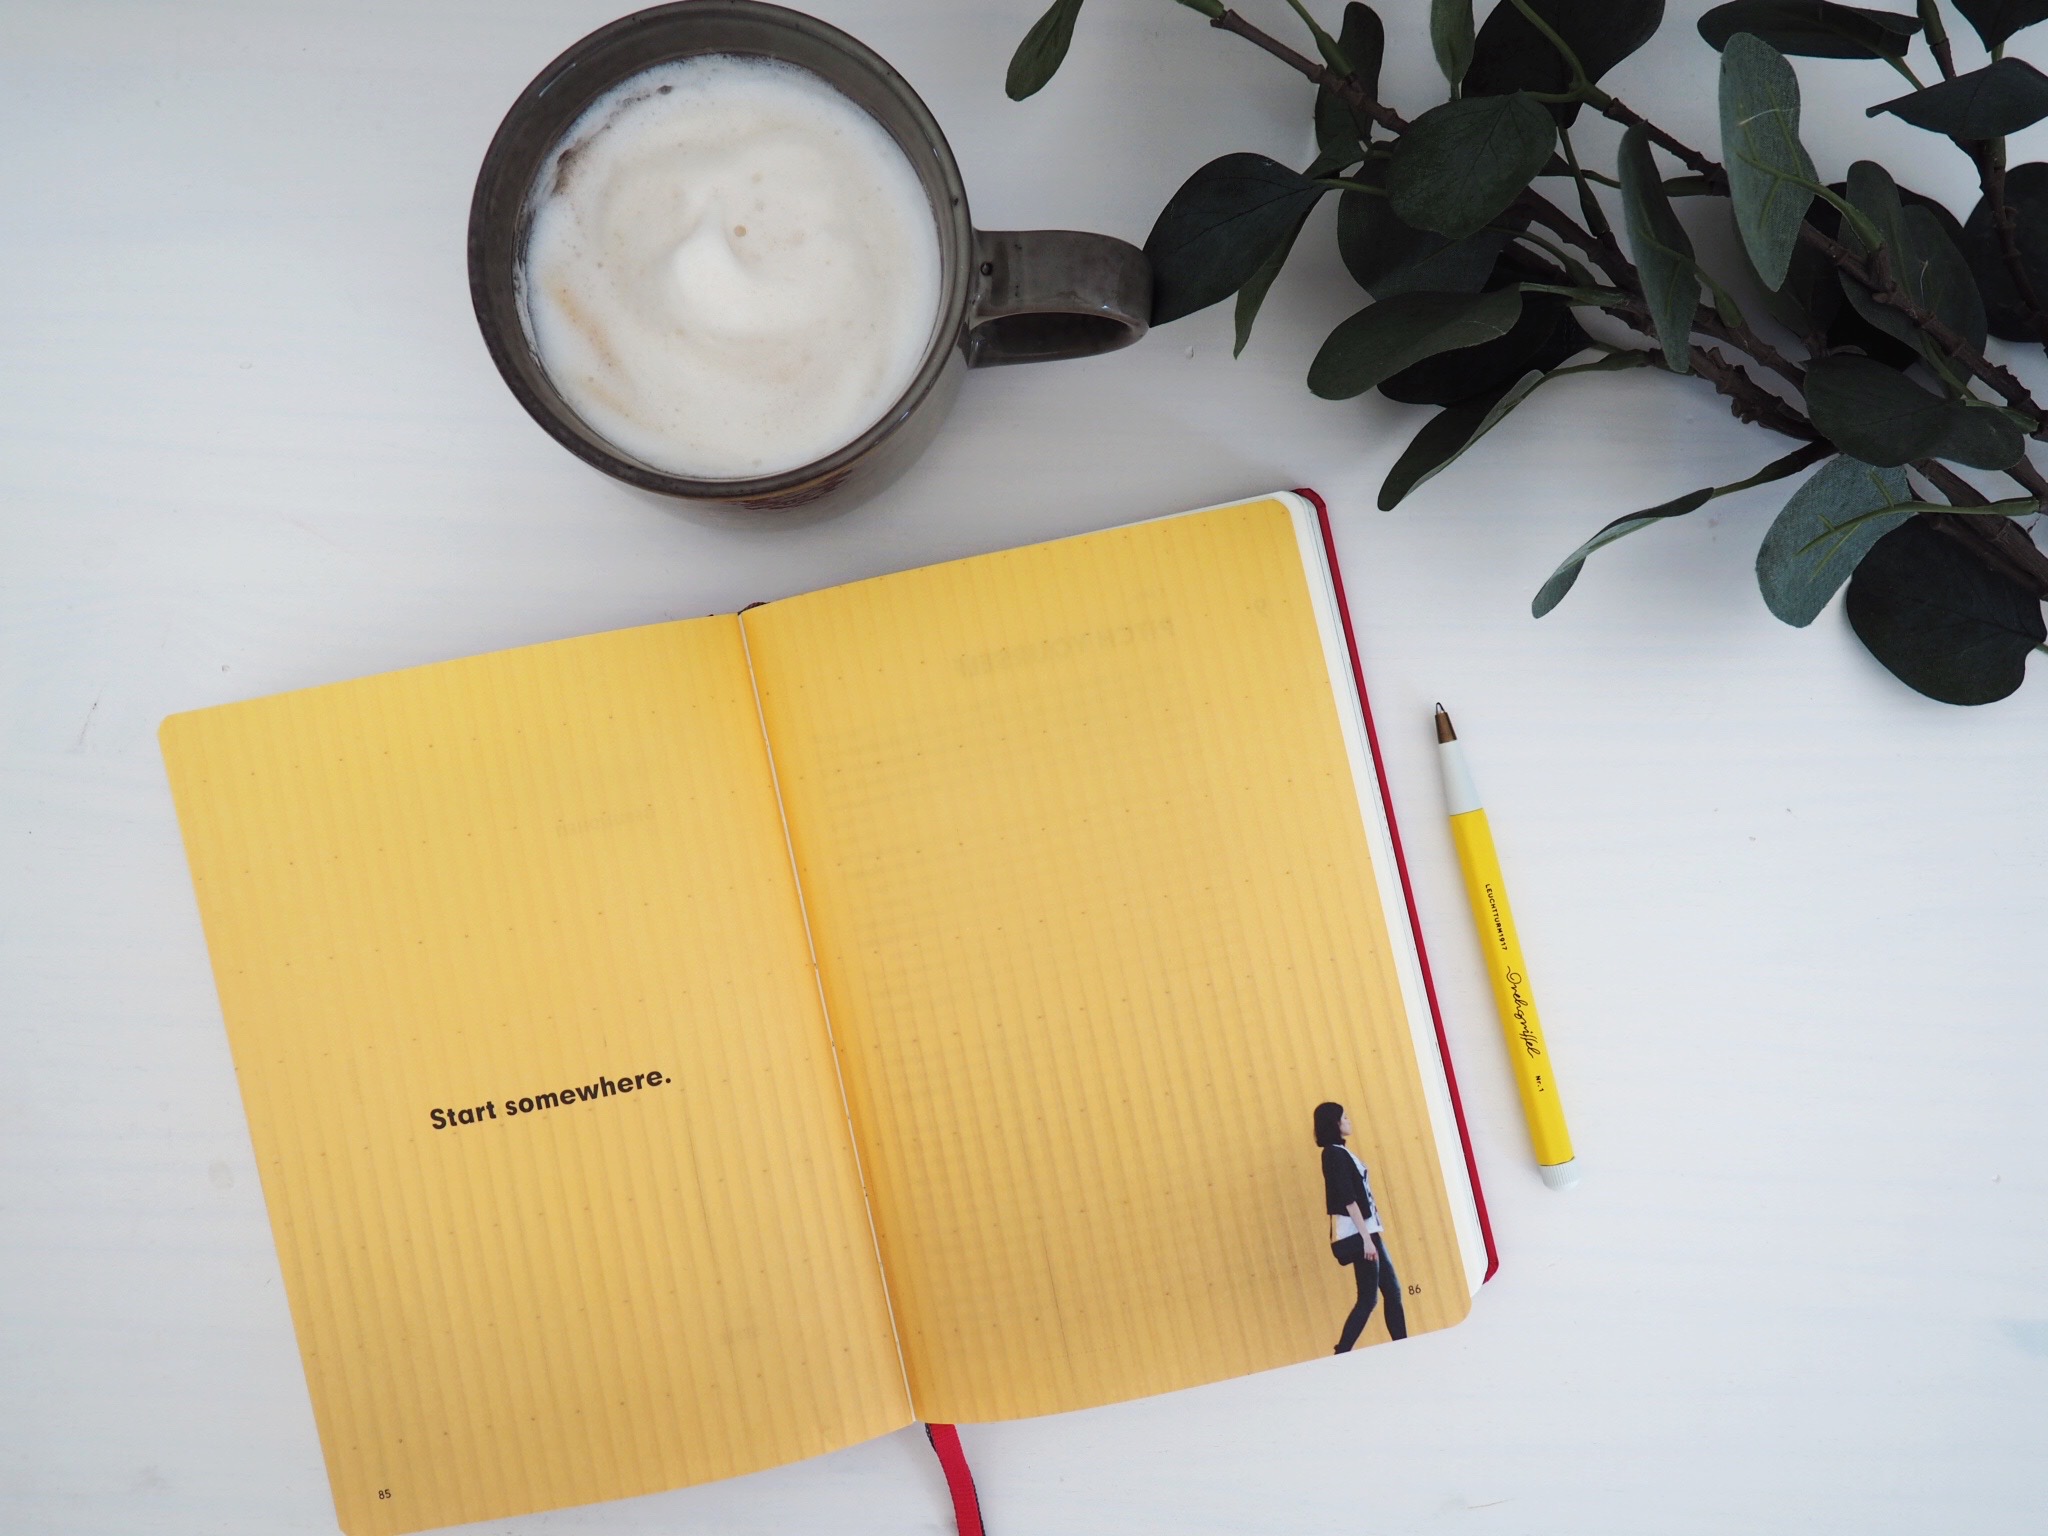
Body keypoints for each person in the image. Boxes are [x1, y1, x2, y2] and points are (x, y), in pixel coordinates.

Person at [1314, 1100, 1407, 1352]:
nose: (1349, 1121)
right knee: (1369, 1298)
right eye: (1344, 1118)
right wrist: (1366, 1239)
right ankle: (1343, 1350)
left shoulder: (1341, 1152)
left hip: (1368, 1231)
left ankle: (1403, 1345)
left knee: (1391, 1292)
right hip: (1361, 1233)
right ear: (1335, 1124)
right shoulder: (1333, 1154)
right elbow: (1348, 1198)